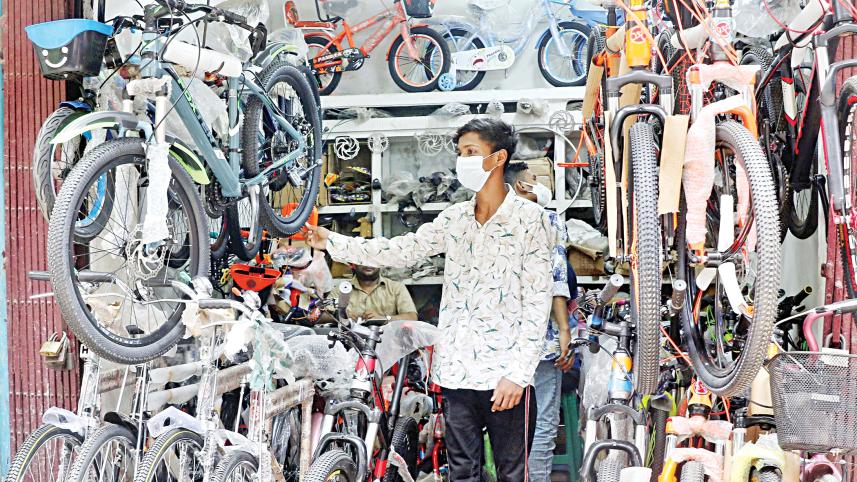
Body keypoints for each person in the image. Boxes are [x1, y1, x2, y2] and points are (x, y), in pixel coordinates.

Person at [305, 117, 554, 482]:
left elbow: (537, 303)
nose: (462, 160)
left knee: (513, 474)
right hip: (456, 371)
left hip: (505, 374)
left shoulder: (530, 220)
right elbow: (399, 251)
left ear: (498, 158)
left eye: (471, 152)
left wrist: (518, 375)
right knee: (462, 473)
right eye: (460, 153)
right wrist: (333, 242)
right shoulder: (454, 219)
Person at [505, 162, 576, 482]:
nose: (540, 185)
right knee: (544, 422)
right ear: (523, 187)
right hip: (541, 339)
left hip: (502, 342)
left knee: (507, 422)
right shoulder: (546, 219)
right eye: (535, 179)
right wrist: (564, 329)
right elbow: (555, 279)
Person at [331, 264, 418, 322]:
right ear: (355, 263)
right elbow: (321, 315)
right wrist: (341, 316)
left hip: (388, 342)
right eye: (364, 259)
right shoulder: (341, 289)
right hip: (349, 344)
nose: (369, 264)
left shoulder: (396, 288)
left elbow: (412, 317)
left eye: (372, 260)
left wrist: (384, 319)